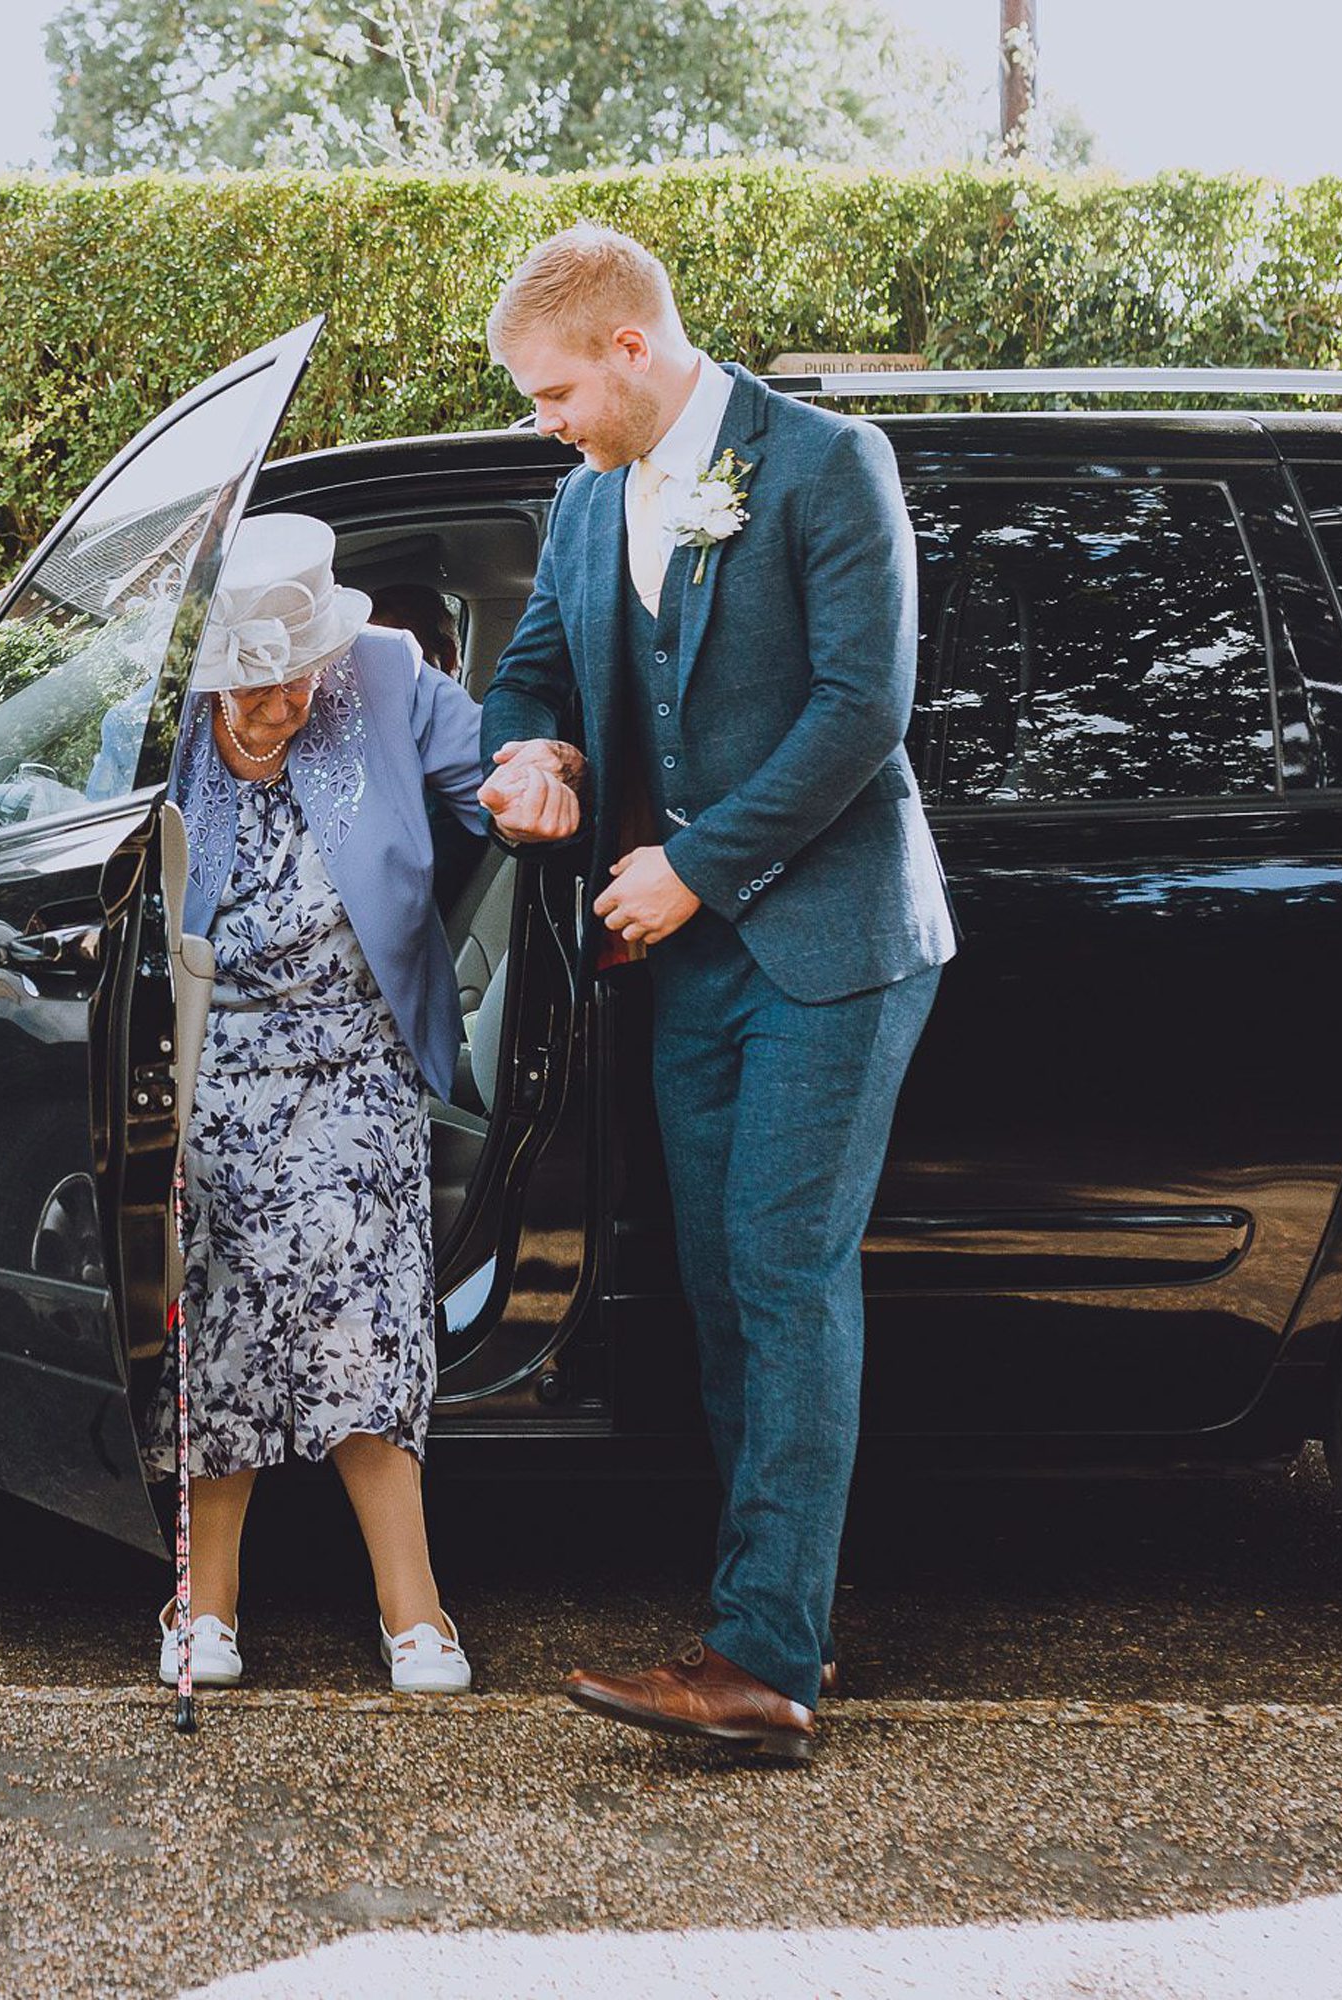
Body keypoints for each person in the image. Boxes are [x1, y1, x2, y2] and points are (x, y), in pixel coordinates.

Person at [474, 222, 957, 1761]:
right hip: (680, 970)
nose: (544, 423)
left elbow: (860, 712)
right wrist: (530, 750)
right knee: (714, 1291)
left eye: (555, 392)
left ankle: (762, 1660)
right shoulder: (579, 503)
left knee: (782, 1273)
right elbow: (533, 668)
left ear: (630, 348)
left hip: (832, 944)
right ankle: (775, 1625)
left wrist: (693, 864)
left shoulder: (827, 463)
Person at [155, 511, 490, 1695]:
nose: (273, 711)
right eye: (246, 693)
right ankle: (203, 1606)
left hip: (356, 1059)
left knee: (363, 1312)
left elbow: (501, 778)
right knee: (219, 1321)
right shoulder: (156, 724)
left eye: (291, 684)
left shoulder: (392, 676)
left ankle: (416, 1611)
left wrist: (551, 778)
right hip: (213, 1066)